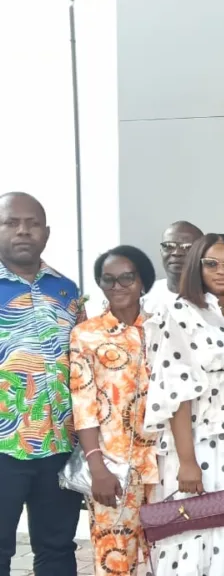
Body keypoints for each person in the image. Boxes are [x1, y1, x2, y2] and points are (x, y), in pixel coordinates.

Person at [142, 233, 224, 576]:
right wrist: (186, 461)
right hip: (199, 438)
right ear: (196, 267)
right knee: (198, 527)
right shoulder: (180, 312)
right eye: (211, 264)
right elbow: (176, 389)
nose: (222, 271)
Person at [0, 192, 84, 576]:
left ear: (46, 233)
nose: (23, 231)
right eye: (11, 223)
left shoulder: (67, 291)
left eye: (32, 224)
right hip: (4, 447)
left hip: (59, 446)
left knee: (57, 549)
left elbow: (83, 364)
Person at [70, 246, 158, 576]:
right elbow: (83, 403)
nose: (117, 286)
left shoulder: (162, 328)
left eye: (126, 278)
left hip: (164, 463)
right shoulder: (86, 334)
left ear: (142, 281)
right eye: (108, 279)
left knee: (165, 557)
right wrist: (97, 468)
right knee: (115, 561)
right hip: (114, 468)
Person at [143, 221, 204, 316]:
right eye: (169, 246)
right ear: (161, 252)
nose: (177, 253)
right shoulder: (144, 297)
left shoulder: (216, 300)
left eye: (188, 247)